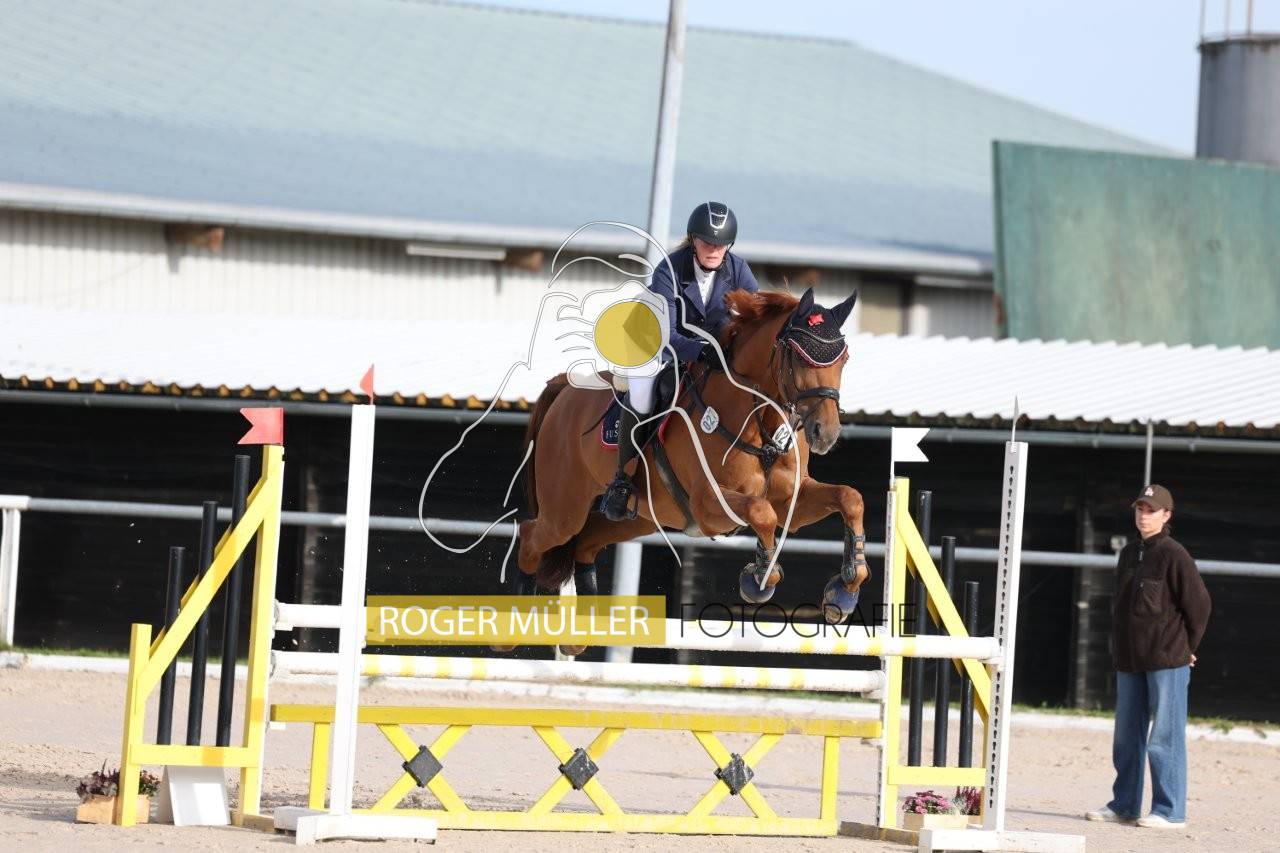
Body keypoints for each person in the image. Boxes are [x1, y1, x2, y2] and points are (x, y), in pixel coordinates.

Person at [600, 201, 760, 521]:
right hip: (649, 340)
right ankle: (621, 481)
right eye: (707, 242)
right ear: (693, 240)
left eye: (721, 244)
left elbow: (755, 320)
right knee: (643, 392)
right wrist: (701, 351)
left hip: (704, 347)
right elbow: (666, 335)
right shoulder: (669, 270)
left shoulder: (739, 270)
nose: (714, 250)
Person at [1086, 484, 1211, 829]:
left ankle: (1170, 811)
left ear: (1166, 515)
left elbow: (1200, 605)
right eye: (1140, 509)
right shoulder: (1128, 553)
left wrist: (1188, 648)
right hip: (1130, 659)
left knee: (1164, 736)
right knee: (1126, 736)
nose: (1143, 516)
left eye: (1151, 510)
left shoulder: (1175, 554)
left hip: (1167, 658)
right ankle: (1124, 805)